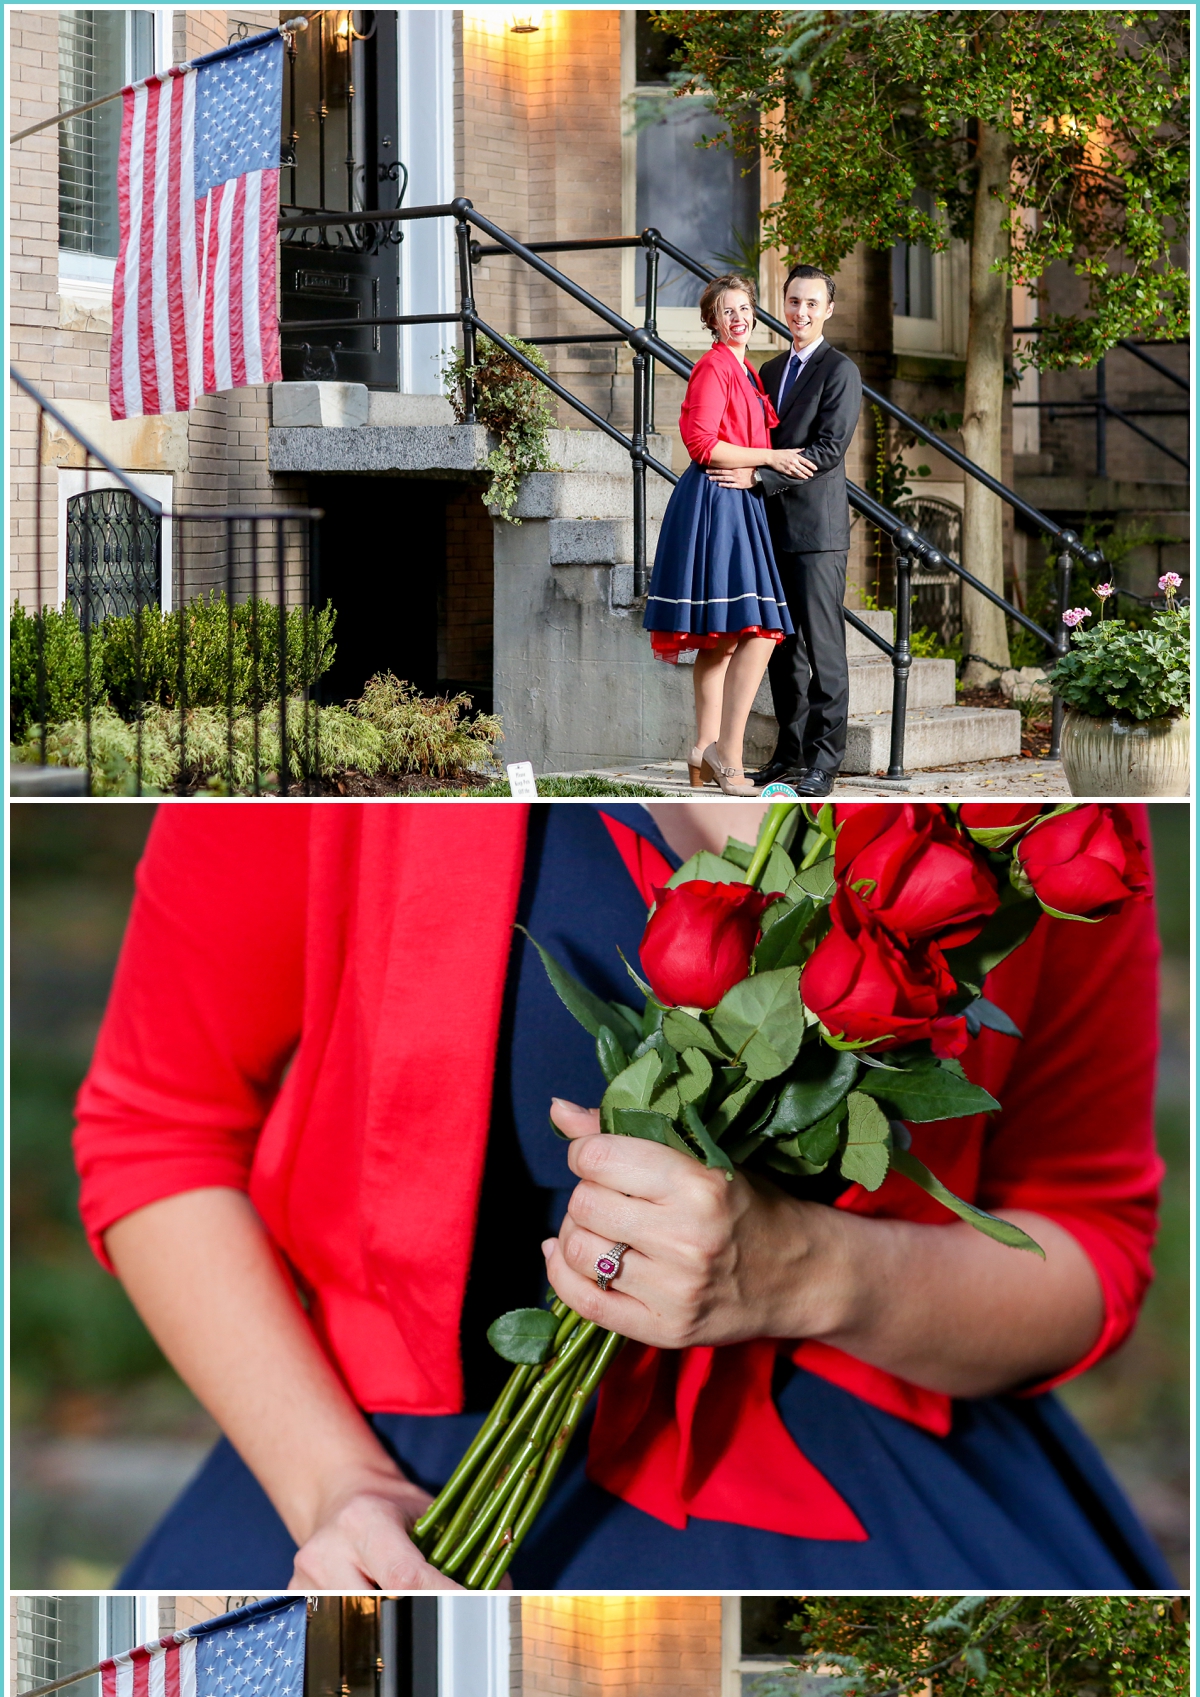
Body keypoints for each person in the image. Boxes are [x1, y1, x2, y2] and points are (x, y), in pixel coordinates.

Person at [72, 802, 1170, 1593]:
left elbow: (1091, 1245)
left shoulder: (1033, 823)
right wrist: (335, 1488)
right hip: (376, 1475)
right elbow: (159, 1134)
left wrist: (815, 1270)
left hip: (874, 1449)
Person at [642, 274, 808, 797]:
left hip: (741, 501)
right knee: (757, 632)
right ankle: (727, 757)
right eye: (727, 311)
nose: (738, 318)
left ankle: (702, 748)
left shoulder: (746, 370)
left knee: (725, 641)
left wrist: (760, 466)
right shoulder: (714, 367)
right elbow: (701, 444)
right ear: (712, 320)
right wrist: (771, 457)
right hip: (718, 501)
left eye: (744, 309)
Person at [742, 265, 863, 796]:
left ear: (828, 309)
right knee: (783, 650)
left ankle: (824, 762)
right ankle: (788, 755)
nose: (801, 313)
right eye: (793, 302)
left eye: (812, 304)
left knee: (823, 652)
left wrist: (761, 474)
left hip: (817, 533)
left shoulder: (841, 371)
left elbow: (829, 449)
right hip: (771, 529)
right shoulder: (768, 372)